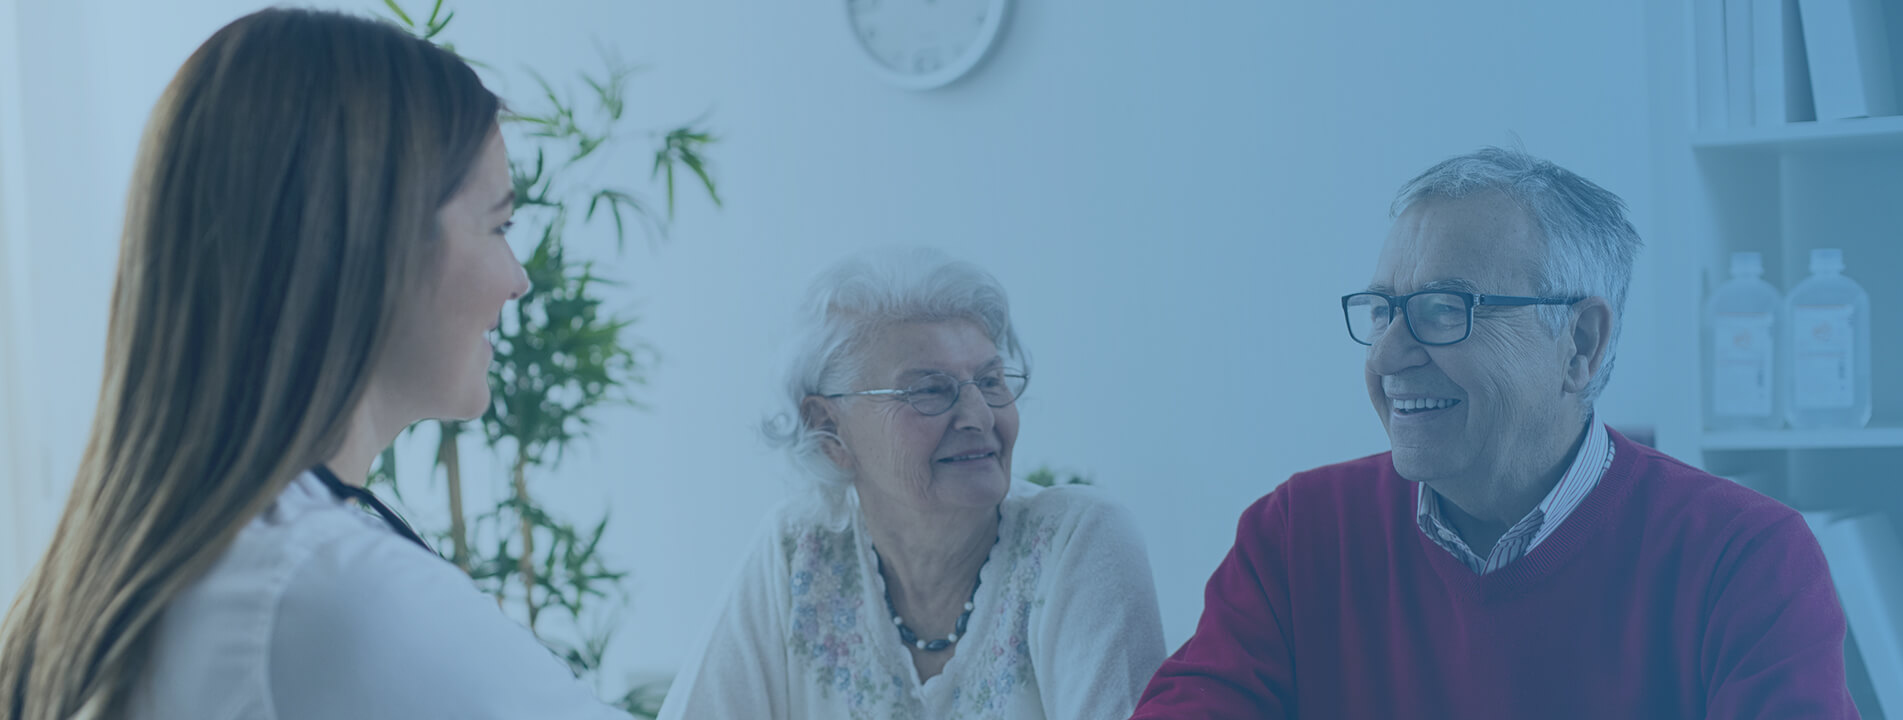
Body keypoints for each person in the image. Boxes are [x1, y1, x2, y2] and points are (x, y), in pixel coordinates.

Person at [0, 9, 630, 719]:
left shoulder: (86, 609)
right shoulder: (332, 593)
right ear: (375, 241)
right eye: (498, 226)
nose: (517, 278)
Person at [1131, 147, 1859, 719]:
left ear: (1579, 343)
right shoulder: (1294, 536)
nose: (1386, 357)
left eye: (1444, 309)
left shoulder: (1746, 559)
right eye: (1382, 310)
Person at [658, 247, 1167, 719]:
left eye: (990, 381)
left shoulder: (1078, 543)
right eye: (929, 390)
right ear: (830, 430)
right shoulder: (799, 549)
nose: (978, 416)